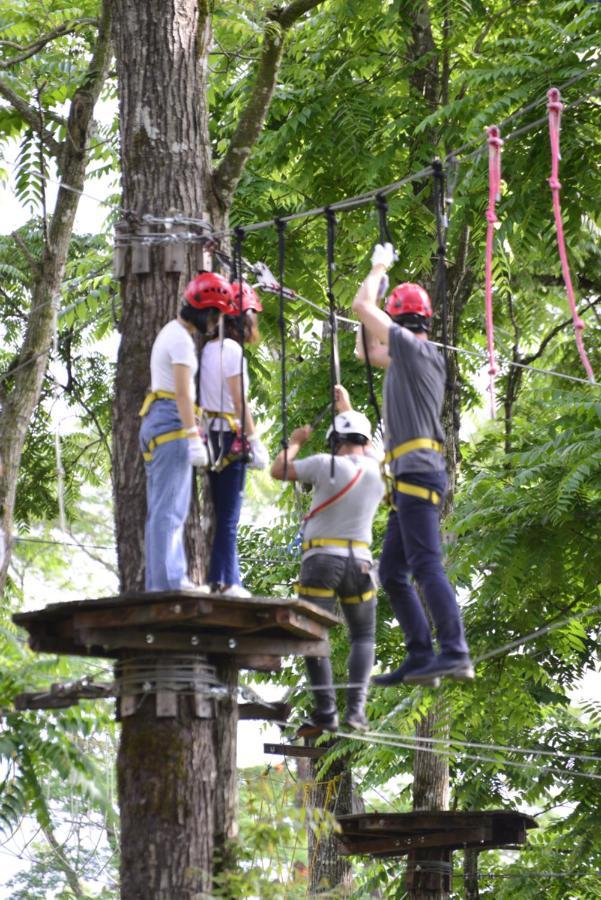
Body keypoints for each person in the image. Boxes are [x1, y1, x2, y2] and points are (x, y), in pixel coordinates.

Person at [352, 242, 473, 686]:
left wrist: (377, 266)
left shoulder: (417, 352)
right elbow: (365, 349)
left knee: (426, 565)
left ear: (400, 324)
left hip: (419, 471)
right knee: (393, 572)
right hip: (407, 478)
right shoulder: (404, 358)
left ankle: (455, 650)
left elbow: (362, 308)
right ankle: (422, 655)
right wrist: (377, 293)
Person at [271, 385, 384, 734]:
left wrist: (296, 441)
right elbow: (361, 441)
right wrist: (346, 406)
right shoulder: (377, 469)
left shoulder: (325, 465)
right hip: (361, 566)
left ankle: (326, 711)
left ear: (336, 442)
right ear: (365, 440)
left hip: (322, 562)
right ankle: (357, 711)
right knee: (363, 637)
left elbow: (279, 470)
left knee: (314, 634)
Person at [139, 271, 233, 592]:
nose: (217, 321)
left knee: (163, 507)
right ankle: (168, 582)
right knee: (171, 507)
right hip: (171, 419)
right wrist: (193, 435)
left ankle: (161, 581)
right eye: (216, 313)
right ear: (206, 311)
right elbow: (183, 393)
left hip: (160, 419)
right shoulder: (180, 339)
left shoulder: (172, 332)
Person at [199, 280, 269, 598]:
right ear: (243, 317)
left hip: (209, 436)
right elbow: (240, 402)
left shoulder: (207, 348)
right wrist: (254, 440)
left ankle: (226, 577)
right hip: (229, 437)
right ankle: (226, 582)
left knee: (221, 513)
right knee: (228, 516)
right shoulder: (232, 350)